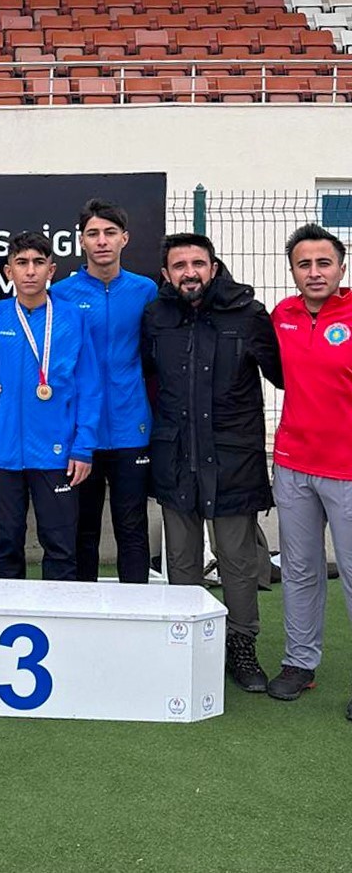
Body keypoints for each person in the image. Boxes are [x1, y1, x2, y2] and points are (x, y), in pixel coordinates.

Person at [141, 232, 283, 693]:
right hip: (176, 455)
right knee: (180, 559)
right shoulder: (156, 315)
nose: (189, 273)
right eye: (179, 265)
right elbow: (144, 377)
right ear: (166, 274)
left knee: (237, 560)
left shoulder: (248, 313)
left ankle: (241, 648)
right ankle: (186, 643)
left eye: (197, 263)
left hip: (232, 456)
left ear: (214, 267)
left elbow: (286, 375)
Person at [266, 223, 352, 715]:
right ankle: (300, 662)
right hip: (293, 465)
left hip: (347, 468)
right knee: (299, 569)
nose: (314, 272)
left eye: (324, 263)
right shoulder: (283, 315)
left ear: (340, 267)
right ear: (293, 271)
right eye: (304, 264)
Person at [52, 200, 158, 583]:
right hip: (83, 432)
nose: (102, 242)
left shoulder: (146, 290)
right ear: (81, 241)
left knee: (132, 529)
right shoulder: (61, 294)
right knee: (83, 530)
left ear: (124, 239)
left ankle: (137, 617)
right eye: (93, 234)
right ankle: (87, 621)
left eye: (110, 233)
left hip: (132, 428)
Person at [0, 231, 100, 581]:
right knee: (7, 542)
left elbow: (90, 386)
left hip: (56, 451)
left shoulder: (72, 318)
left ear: (52, 269)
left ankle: (59, 625)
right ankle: (8, 621)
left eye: (38, 263)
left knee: (60, 545)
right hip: (2, 452)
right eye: (22, 263)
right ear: (9, 272)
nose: (30, 271)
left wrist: (83, 447)